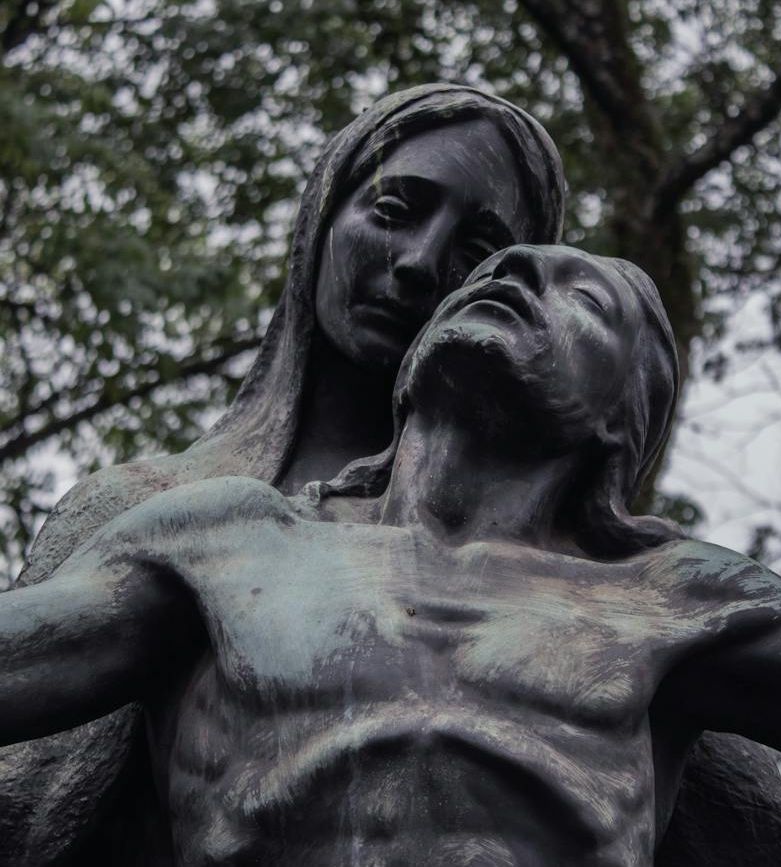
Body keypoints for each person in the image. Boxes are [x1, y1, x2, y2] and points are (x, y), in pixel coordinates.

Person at [1, 245, 781, 867]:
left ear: (621, 419)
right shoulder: (227, 538)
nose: (511, 275)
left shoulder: (667, 599)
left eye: (583, 299)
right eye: (493, 275)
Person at [0, 84, 565, 865]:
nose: (418, 264)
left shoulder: (562, 565)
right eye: (394, 210)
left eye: (475, 252)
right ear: (321, 219)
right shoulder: (138, 507)